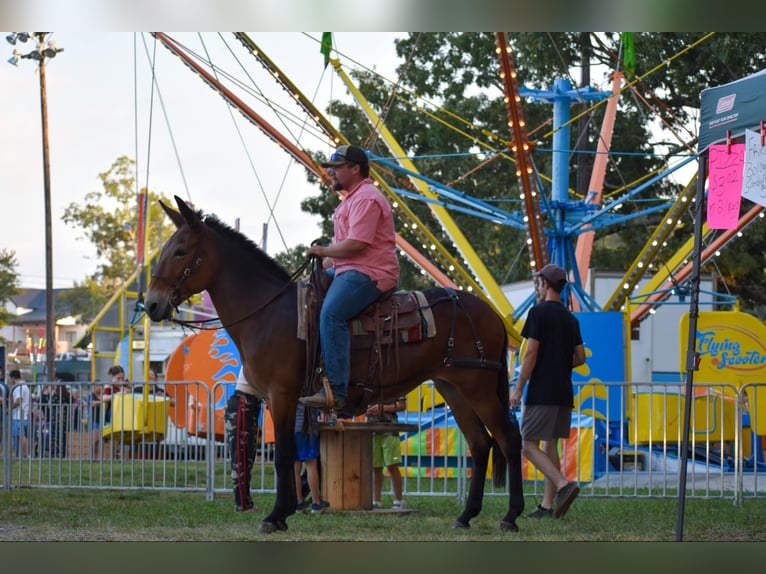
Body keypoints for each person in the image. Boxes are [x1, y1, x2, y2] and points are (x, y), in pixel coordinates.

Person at [300, 144, 399, 411]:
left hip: (371, 272)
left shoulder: (366, 198)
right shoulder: (350, 201)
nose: (332, 173)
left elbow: (357, 245)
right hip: (349, 269)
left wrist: (321, 250)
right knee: (304, 293)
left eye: (336, 168)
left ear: (355, 169)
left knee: (331, 314)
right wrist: (320, 265)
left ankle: (337, 390)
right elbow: (341, 252)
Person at [509, 263, 586, 520]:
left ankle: (564, 486)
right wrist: (560, 363)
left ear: (546, 285)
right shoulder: (571, 319)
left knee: (528, 446)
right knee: (549, 444)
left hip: (541, 391)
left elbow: (530, 353)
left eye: (540, 283)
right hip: (564, 392)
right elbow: (581, 357)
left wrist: (518, 389)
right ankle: (546, 506)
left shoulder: (538, 313)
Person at [224, 368, 262, 512]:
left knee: (248, 457)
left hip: (250, 404)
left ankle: (245, 502)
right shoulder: (256, 355)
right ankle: (242, 505)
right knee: (241, 457)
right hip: (243, 403)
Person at [366, 397, 406, 509]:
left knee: (392, 466)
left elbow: (402, 405)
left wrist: (382, 408)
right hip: (372, 430)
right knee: (375, 467)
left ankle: (399, 500)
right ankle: (376, 500)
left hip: (390, 430)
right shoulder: (367, 384)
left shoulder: (396, 382)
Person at [9, 369, 31, 458]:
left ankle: (26, 455)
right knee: (20, 436)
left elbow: (18, 401)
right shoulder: (24, 386)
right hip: (23, 415)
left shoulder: (19, 387)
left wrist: (9, 408)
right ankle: (21, 455)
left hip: (19, 416)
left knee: (21, 436)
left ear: (13, 377)